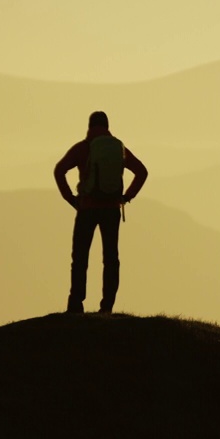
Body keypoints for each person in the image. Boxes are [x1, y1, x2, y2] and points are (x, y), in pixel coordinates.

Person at [54, 111, 148, 314]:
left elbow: (59, 170)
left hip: (86, 208)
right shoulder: (119, 149)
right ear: (107, 126)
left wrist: (71, 199)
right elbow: (142, 171)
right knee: (111, 259)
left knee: (80, 257)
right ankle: (107, 307)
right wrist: (126, 197)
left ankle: (76, 304)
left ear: (89, 126)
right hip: (112, 209)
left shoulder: (83, 148)